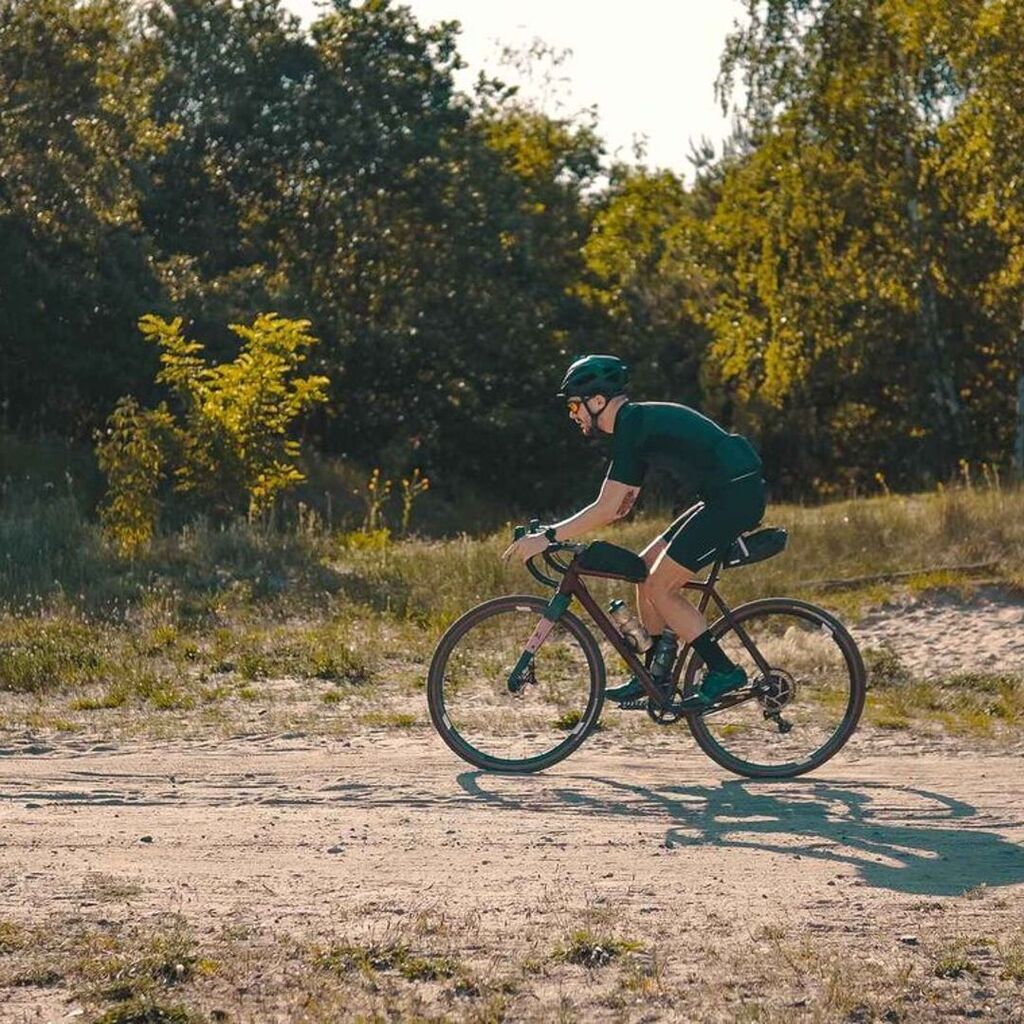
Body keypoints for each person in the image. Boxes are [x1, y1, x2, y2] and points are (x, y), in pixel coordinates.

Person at [502, 354, 766, 710]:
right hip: (724, 495)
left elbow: (608, 508)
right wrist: (555, 531)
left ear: (598, 401)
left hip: (734, 498)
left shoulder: (632, 425)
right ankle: (654, 676)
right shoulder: (634, 425)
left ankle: (723, 670)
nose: (572, 414)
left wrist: (548, 537)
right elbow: (619, 504)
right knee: (644, 571)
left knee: (660, 586)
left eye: (575, 406)